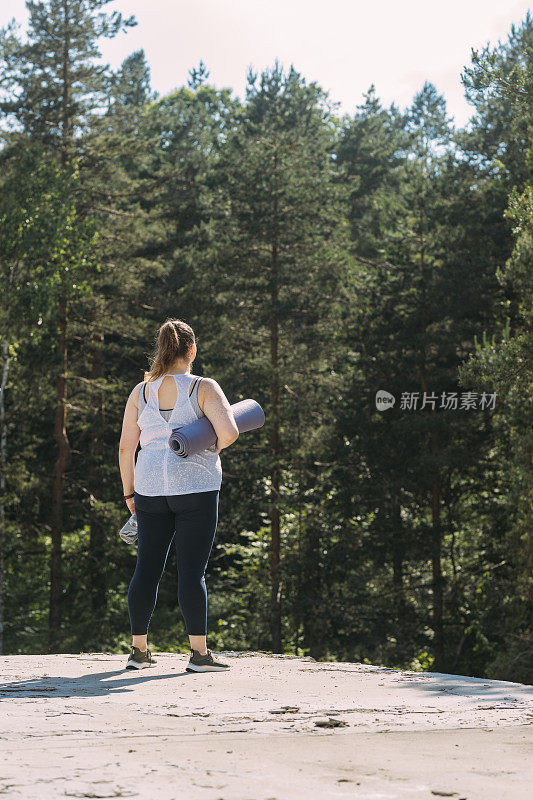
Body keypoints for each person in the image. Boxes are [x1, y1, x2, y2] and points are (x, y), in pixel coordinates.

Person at [118, 319, 239, 672]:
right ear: (192, 350)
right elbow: (229, 432)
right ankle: (199, 655)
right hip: (196, 489)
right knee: (191, 572)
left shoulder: (141, 392)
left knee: (147, 568)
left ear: (161, 351)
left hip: (149, 489)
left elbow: (127, 448)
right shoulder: (203, 387)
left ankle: (138, 651)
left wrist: (130, 493)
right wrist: (205, 445)